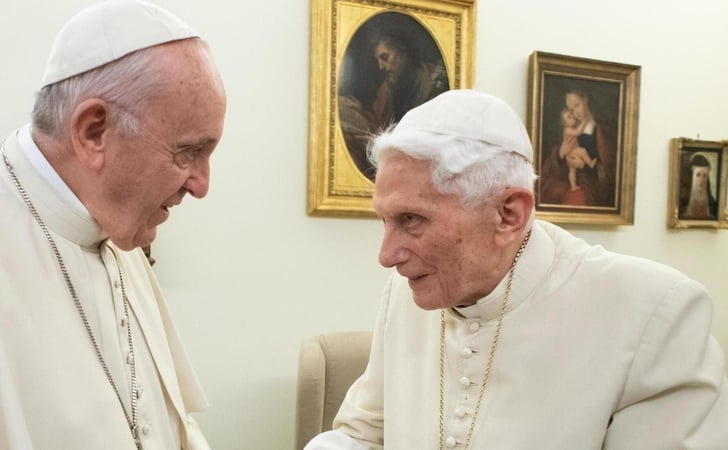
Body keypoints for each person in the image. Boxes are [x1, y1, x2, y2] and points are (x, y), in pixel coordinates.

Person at [305, 90, 728, 449]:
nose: (387, 255)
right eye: (385, 219)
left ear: (509, 214)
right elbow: (363, 434)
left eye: (411, 220)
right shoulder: (403, 292)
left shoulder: (657, 314)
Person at [0, 1, 226, 449]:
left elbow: (168, 425)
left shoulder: (116, 227)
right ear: (92, 131)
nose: (202, 186)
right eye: (188, 153)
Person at [339, 27, 448, 180]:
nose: (381, 66)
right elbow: (378, 124)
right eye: (378, 60)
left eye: (385, 57)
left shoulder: (434, 82)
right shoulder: (388, 88)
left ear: (403, 52)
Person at [540, 89, 615, 206]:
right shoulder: (571, 130)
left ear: (585, 100)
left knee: (577, 197)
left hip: (593, 184)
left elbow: (609, 167)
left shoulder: (601, 129)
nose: (575, 113)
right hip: (572, 179)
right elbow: (554, 166)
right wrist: (561, 154)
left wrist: (584, 165)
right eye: (571, 110)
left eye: (577, 105)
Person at [558, 107, 597, 191]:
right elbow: (578, 132)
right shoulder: (567, 130)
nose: (572, 118)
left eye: (572, 115)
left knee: (572, 170)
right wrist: (584, 122)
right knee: (583, 151)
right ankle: (590, 163)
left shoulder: (571, 128)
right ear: (565, 123)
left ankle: (573, 186)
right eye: (569, 117)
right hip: (571, 151)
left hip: (572, 151)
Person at [681, 153, 718, 219]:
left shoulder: (713, 204)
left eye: (704, 175)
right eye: (698, 175)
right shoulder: (682, 201)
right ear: (692, 176)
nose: (701, 180)